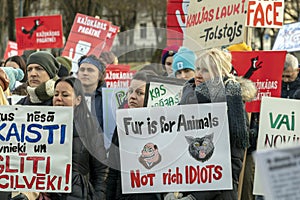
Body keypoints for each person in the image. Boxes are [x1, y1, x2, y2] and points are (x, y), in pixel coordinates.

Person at [171, 48, 254, 200]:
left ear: (220, 73)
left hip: (220, 194)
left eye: (205, 70)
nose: (198, 75)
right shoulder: (186, 97)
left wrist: (198, 196)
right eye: (197, 69)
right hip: (185, 188)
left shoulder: (231, 101)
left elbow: (234, 160)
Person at [39, 76, 107, 200]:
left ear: (78, 99)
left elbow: (101, 170)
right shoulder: (39, 127)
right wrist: (36, 190)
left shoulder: (90, 127)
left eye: (65, 95)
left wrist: (98, 197)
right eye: (56, 94)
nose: (58, 99)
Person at [106, 70, 162, 200]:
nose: (132, 96)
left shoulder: (165, 127)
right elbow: (113, 171)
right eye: (130, 91)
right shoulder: (121, 125)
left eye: (139, 93)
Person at [77, 54, 106, 131]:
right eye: (82, 69)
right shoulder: (70, 96)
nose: (85, 73)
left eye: (90, 70)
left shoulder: (107, 99)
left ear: (100, 76)